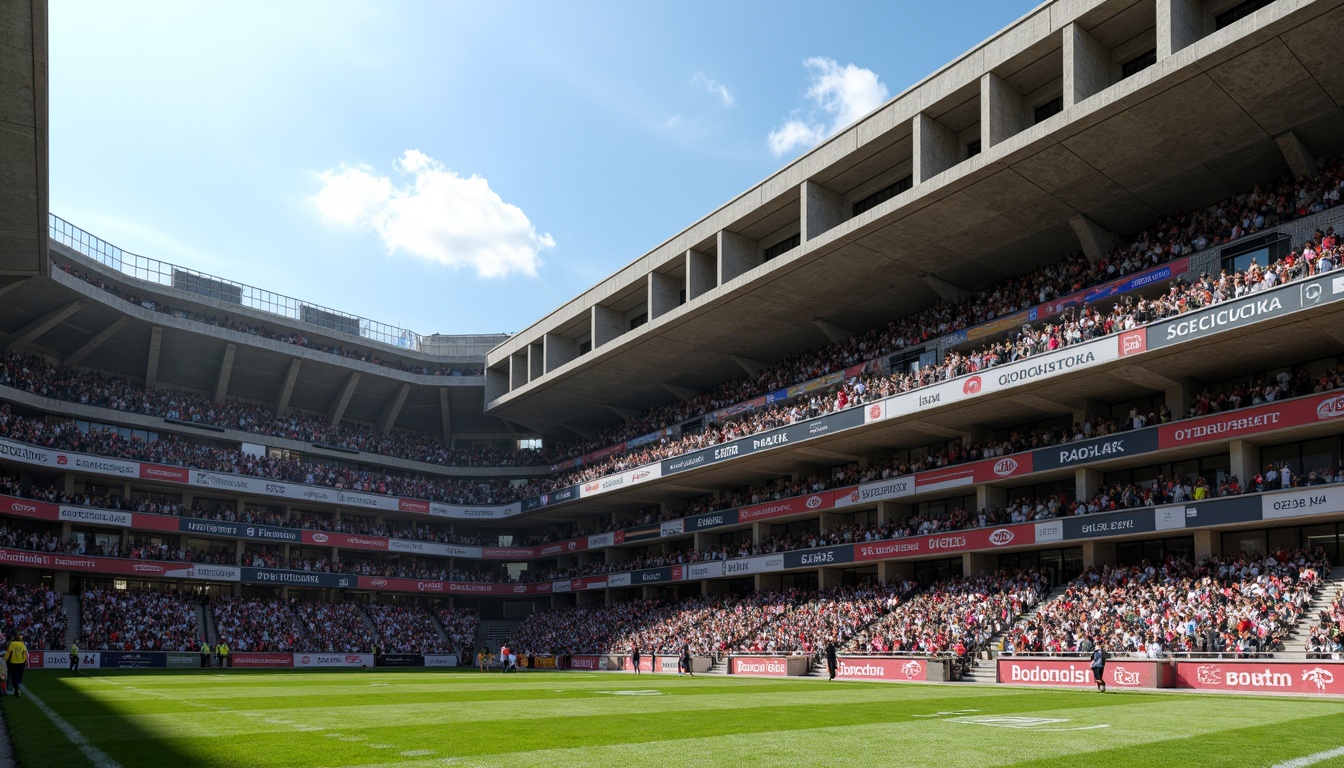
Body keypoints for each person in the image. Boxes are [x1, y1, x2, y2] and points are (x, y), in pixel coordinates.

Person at [4, 633, 28, 697]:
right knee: (19, 677)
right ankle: (17, 688)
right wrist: (25, 661)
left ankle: (16, 688)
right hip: (21, 662)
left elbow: (8, 653)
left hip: (13, 662)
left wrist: (4, 660)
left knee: (13, 676)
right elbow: (25, 654)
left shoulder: (12, 644)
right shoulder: (22, 644)